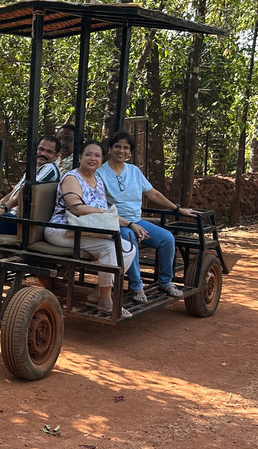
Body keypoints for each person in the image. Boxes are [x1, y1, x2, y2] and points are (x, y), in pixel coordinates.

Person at [98, 130, 198, 302]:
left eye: (126, 148)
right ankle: (137, 287)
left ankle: (165, 282)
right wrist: (127, 224)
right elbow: (100, 206)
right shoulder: (100, 173)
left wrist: (177, 209)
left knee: (167, 239)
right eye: (117, 146)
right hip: (117, 223)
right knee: (130, 240)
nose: (121, 151)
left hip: (137, 221)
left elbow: (153, 194)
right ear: (110, 148)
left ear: (130, 152)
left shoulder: (134, 171)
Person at [44, 140, 136, 318]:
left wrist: (130, 224)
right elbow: (76, 208)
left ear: (102, 159)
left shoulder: (97, 180)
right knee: (111, 248)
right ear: (80, 157)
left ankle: (97, 292)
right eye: (88, 154)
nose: (92, 158)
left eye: (97, 155)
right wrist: (105, 212)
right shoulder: (72, 178)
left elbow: (103, 214)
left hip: (87, 230)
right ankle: (105, 301)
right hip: (63, 229)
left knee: (128, 249)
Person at [0, 135, 61, 234]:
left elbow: (26, 192)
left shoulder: (50, 169)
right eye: (41, 149)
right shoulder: (35, 168)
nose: (43, 154)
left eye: (49, 152)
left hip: (18, 220)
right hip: (9, 214)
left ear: (57, 156)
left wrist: (4, 208)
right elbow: (14, 191)